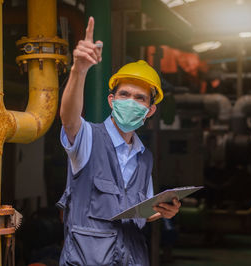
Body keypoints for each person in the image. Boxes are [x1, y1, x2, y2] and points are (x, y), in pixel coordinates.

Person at [57, 17, 181, 266]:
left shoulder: (144, 156)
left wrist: (164, 211)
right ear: (112, 101)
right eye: (124, 94)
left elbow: (141, 212)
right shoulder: (88, 138)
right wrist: (78, 71)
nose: (131, 102)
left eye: (140, 98)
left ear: (150, 110)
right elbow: (69, 119)